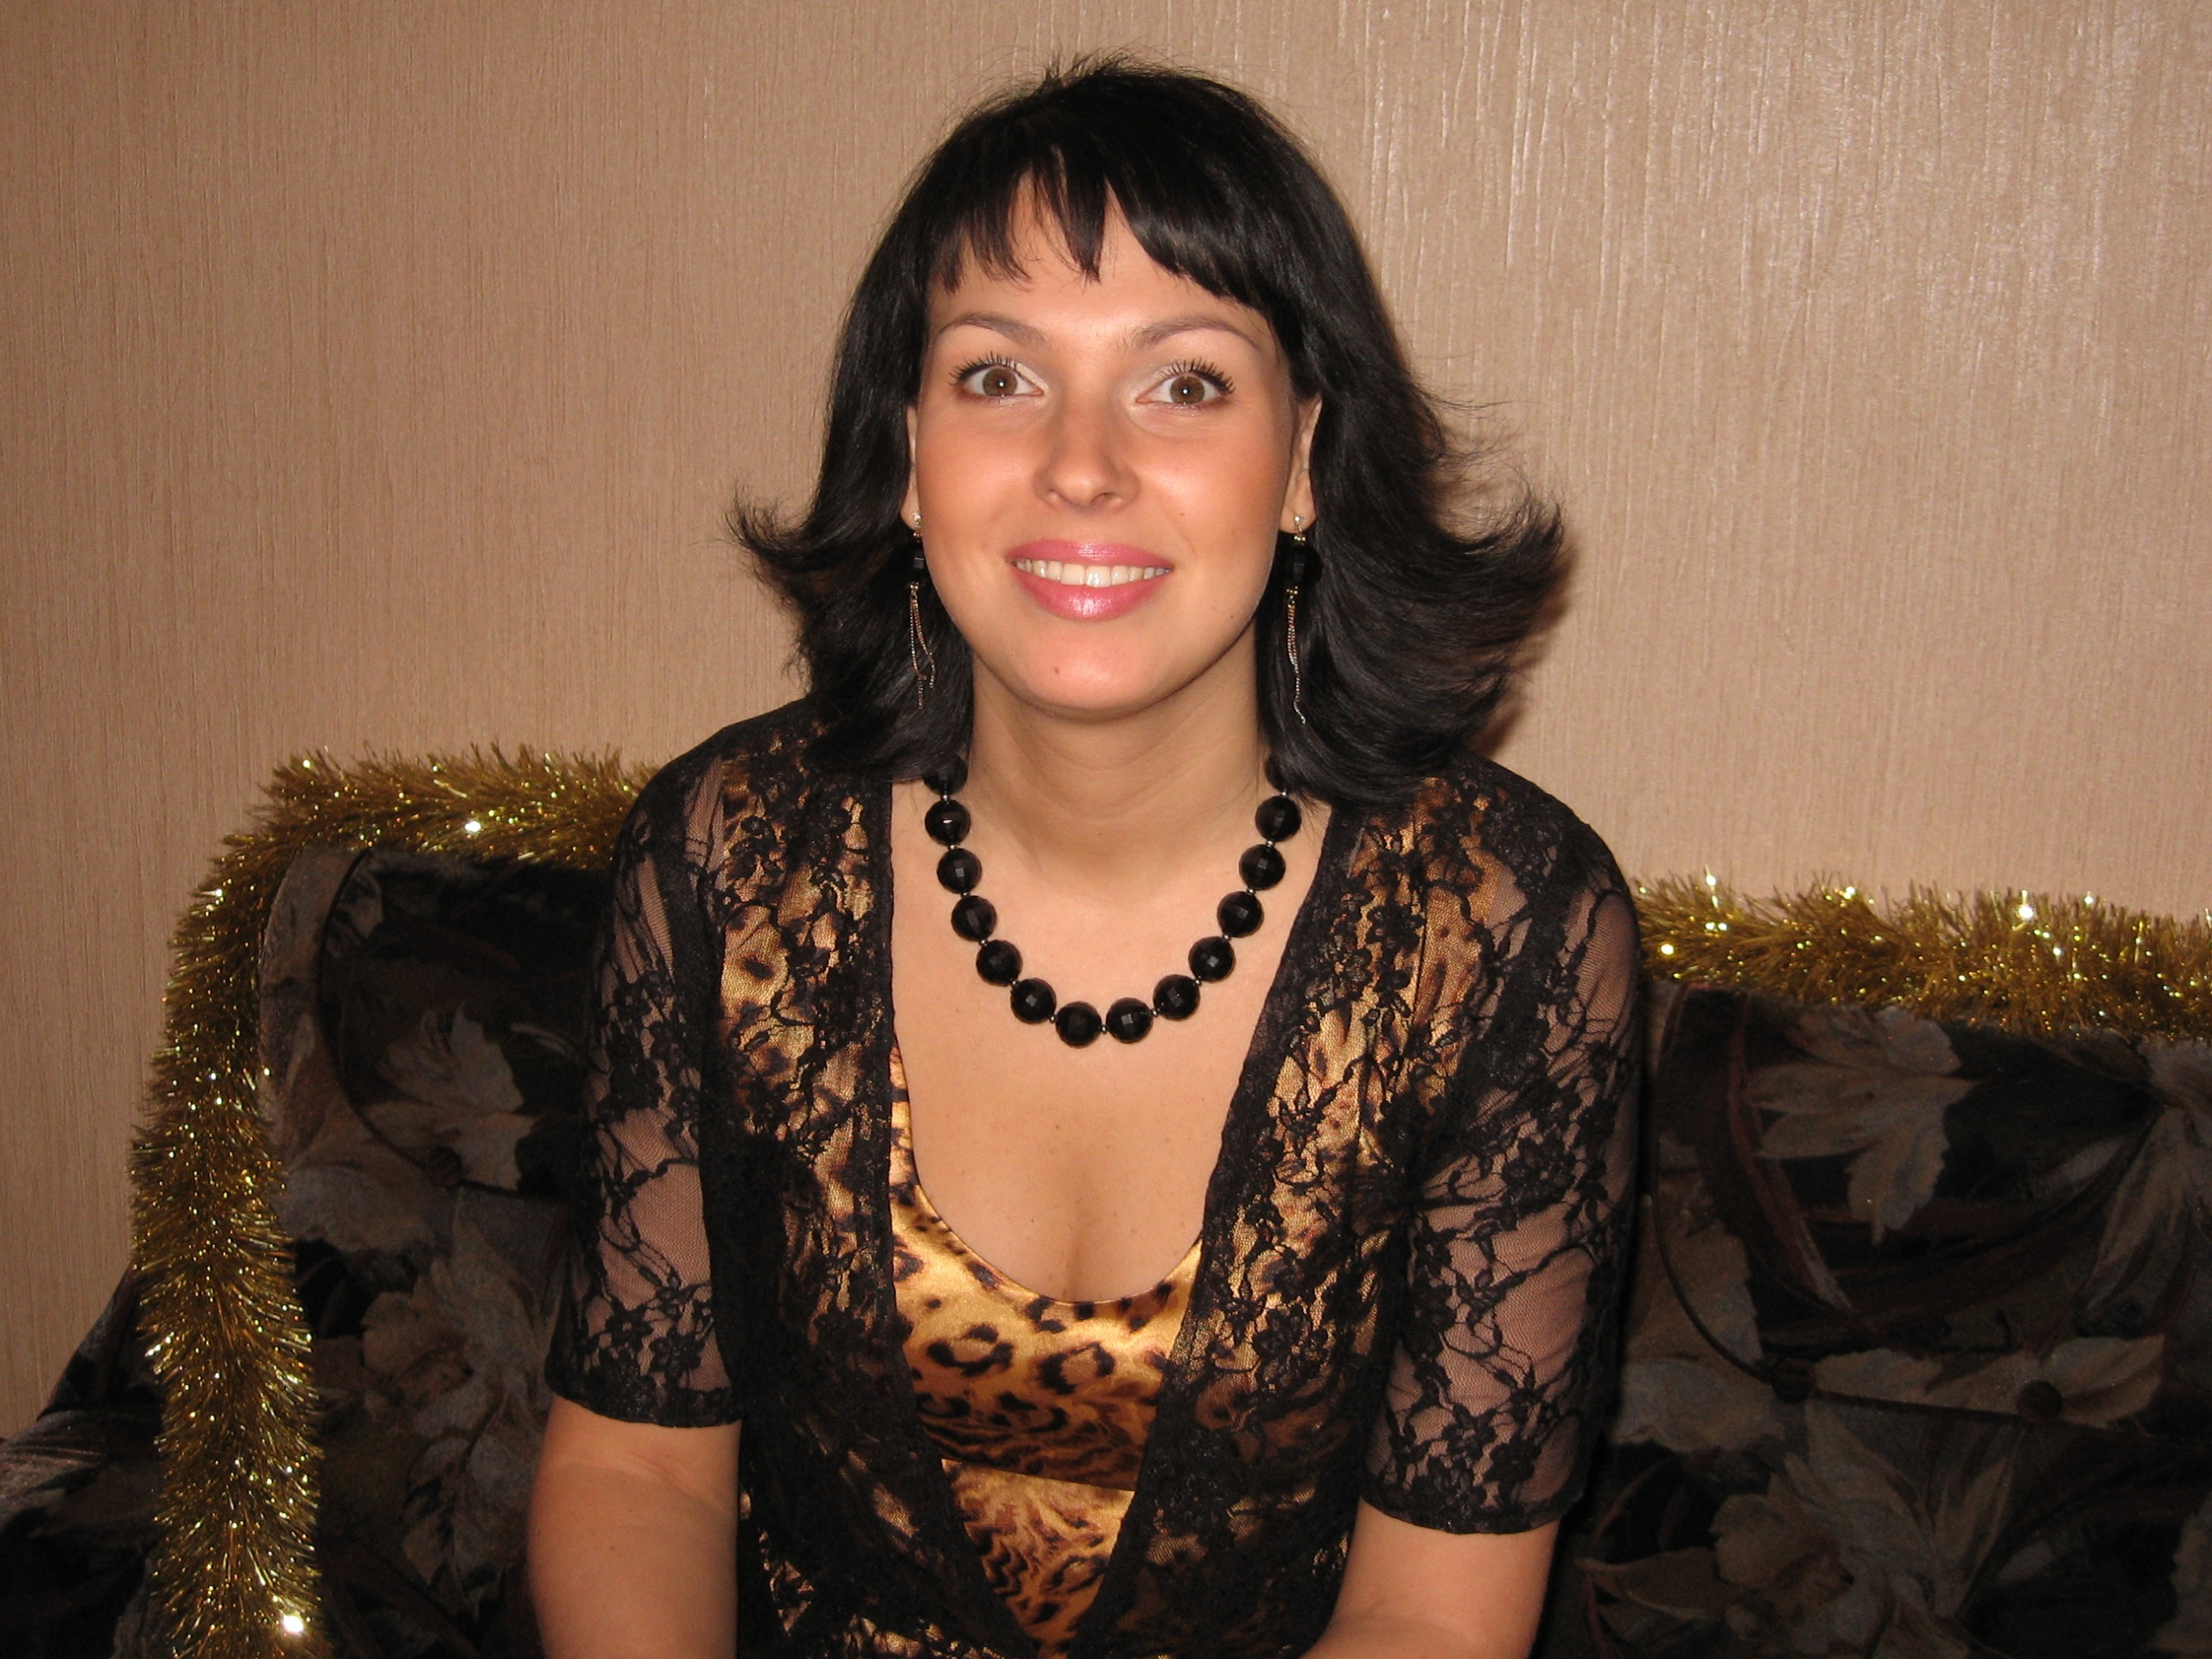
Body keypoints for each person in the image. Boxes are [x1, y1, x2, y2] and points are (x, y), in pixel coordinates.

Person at [527, 58, 1641, 1659]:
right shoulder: (722, 862)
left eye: (1183, 383)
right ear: (908, 453)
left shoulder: (1511, 932)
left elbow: (1430, 1615)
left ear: (1306, 457)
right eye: (998, 375)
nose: (1082, 464)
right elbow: (637, 1472)